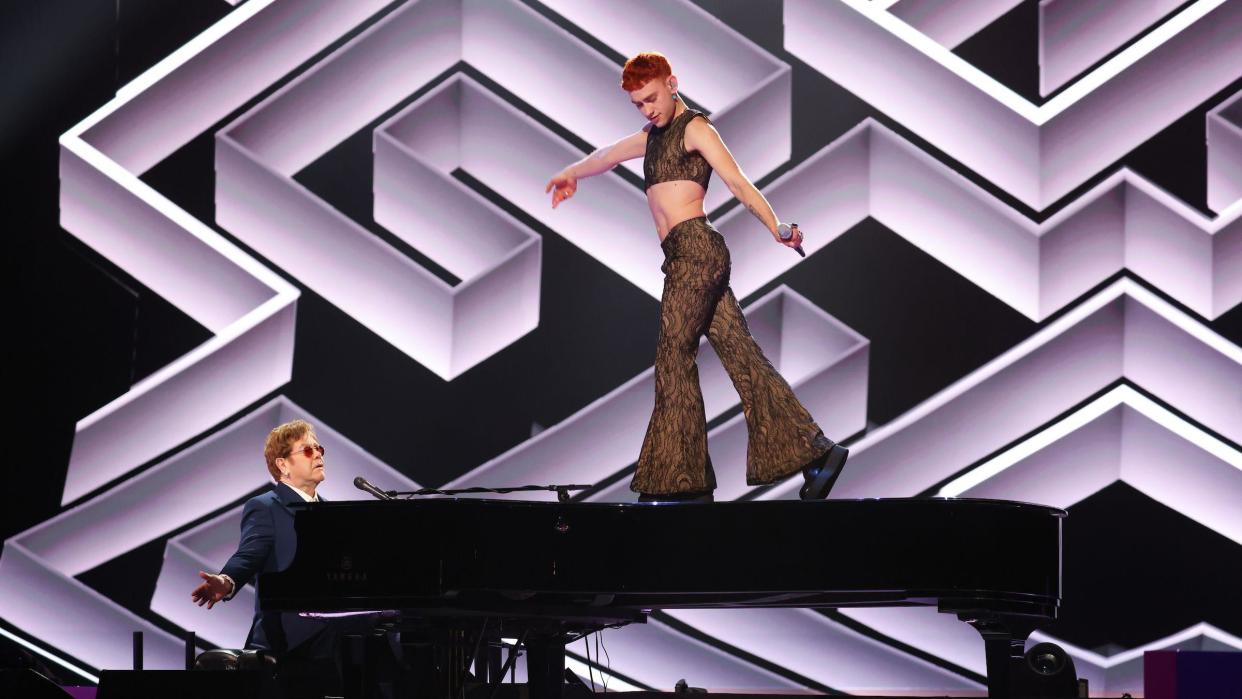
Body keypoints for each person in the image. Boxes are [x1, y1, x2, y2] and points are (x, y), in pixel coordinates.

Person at [545, 52, 848, 501]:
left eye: (651, 98)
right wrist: (573, 172)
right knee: (741, 356)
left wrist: (778, 227)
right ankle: (818, 456)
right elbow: (607, 155)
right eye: (638, 104)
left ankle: (682, 484)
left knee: (673, 355)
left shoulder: (697, 129)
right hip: (681, 258)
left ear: (672, 83)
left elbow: (739, 183)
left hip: (697, 254)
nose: (648, 109)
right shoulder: (651, 136)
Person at [190, 420, 382, 693]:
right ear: (282, 465)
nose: (318, 454)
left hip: (332, 638)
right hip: (289, 639)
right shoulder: (266, 507)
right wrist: (227, 580)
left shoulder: (333, 514)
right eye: (307, 450)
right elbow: (249, 554)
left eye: (319, 448)